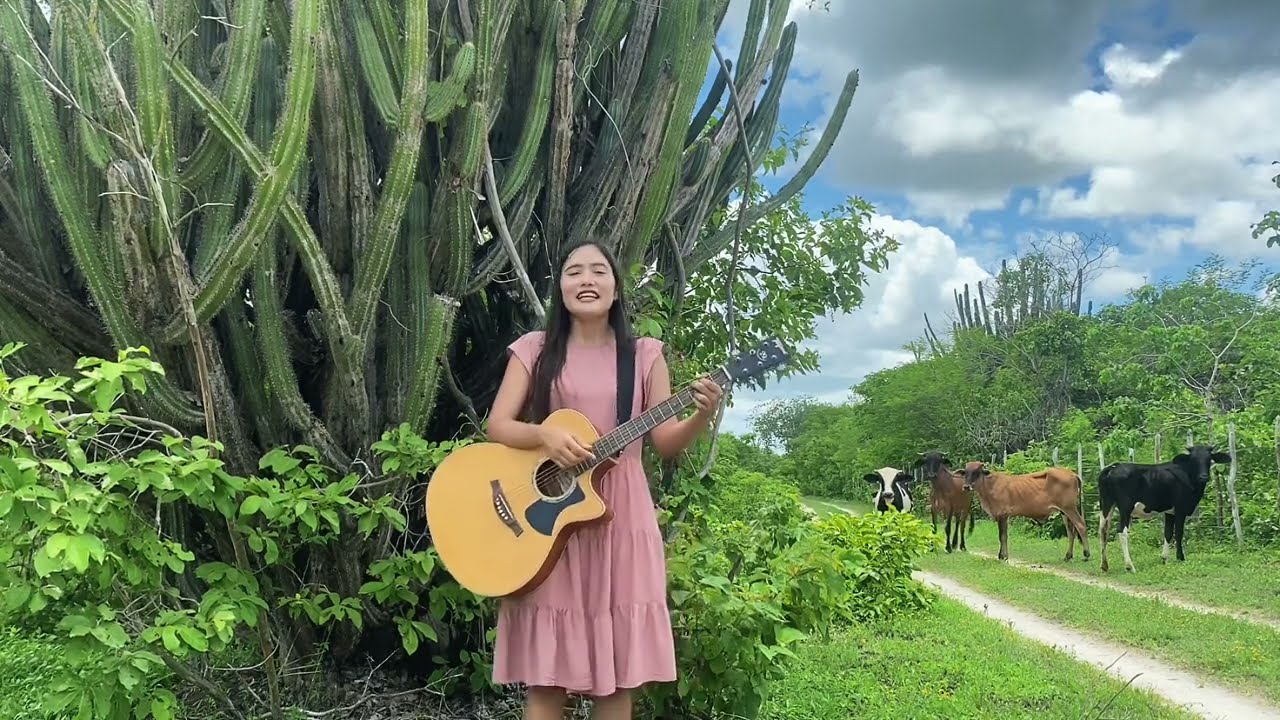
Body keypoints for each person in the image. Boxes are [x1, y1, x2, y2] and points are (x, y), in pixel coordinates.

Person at [484, 239, 723, 720]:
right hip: (548, 516)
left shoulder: (645, 355)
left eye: (599, 271)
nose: (586, 280)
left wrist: (702, 415)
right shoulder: (534, 349)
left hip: (622, 515)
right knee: (547, 679)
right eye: (574, 271)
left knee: (616, 680)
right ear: (560, 287)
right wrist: (545, 435)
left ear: (615, 290)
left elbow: (665, 443)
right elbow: (498, 426)